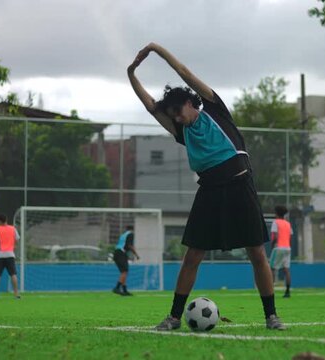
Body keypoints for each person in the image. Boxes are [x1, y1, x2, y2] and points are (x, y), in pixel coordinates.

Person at [127, 42, 286, 331]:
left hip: (240, 186)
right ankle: (174, 317)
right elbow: (151, 107)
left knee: (257, 253)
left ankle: (271, 316)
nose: (176, 117)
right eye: (172, 115)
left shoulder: (215, 108)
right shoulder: (181, 130)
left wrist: (156, 49)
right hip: (210, 191)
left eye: (179, 110)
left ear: (191, 102)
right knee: (192, 256)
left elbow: (184, 71)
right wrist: (131, 74)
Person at [0, 214, 20, 299]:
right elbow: (17, 240)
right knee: (13, 274)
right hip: (10, 254)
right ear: (6, 219)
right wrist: (14, 247)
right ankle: (16, 294)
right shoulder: (13, 229)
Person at [269, 205, 293, 298]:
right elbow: (290, 237)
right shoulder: (288, 223)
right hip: (287, 248)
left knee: (272, 268)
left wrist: (272, 245)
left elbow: (275, 236)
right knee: (286, 269)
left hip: (278, 247)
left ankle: (270, 292)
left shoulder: (276, 222)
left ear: (276, 213)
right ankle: (287, 291)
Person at [113, 225, 140, 296]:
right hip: (121, 253)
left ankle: (124, 290)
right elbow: (129, 246)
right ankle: (117, 288)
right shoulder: (131, 234)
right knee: (125, 271)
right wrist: (136, 255)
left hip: (117, 253)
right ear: (132, 229)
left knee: (124, 272)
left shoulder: (123, 235)